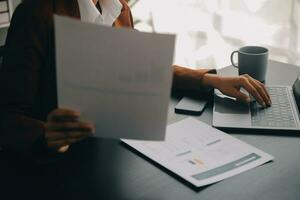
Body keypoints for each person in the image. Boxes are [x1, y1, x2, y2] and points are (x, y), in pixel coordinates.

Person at [0, 0, 271, 156]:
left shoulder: (119, 9)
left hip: (111, 151)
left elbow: (140, 67)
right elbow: (9, 117)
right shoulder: (35, 14)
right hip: (56, 166)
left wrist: (209, 80)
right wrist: (46, 134)